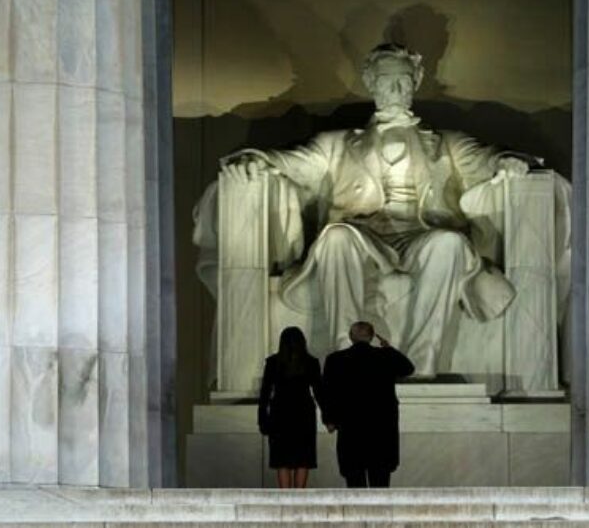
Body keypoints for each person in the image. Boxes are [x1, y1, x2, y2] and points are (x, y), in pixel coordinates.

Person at [209, 43, 553, 376]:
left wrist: (508, 162)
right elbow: (291, 161)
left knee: (449, 244)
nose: (396, 88)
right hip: (362, 234)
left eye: (404, 79)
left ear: (416, 81)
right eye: (387, 80)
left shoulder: (445, 142)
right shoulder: (338, 143)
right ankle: (346, 356)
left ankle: (421, 365)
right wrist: (256, 159)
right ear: (371, 82)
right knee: (336, 237)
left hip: (420, 235)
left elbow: (485, 158)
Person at [321, 321, 415, 487]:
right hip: (381, 430)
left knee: (354, 482)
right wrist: (388, 348)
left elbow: (328, 393)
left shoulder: (336, 360)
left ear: (351, 337)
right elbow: (408, 368)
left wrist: (329, 420)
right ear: (372, 337)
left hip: (351, 428)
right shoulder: (385, 356)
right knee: (380, 483)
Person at [258, 326, 322, 488]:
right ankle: (299, 496)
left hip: (280, 412)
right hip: (304, 413)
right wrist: (328, 416)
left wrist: (262, 419)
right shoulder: (311, 362)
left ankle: (285, 496)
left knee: (282, 459)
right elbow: (319, 391)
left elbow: (265, 393)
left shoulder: (273, 362)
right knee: (303, 458)